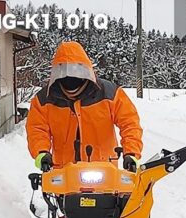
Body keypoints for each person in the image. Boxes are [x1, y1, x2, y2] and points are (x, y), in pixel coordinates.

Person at [26, 41, 143, 172]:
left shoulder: (109, 93)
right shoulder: (44, 100)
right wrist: (42, 153)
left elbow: (129, 123)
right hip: (63, 173)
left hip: (105, 170)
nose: (70, 80)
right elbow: (37, 129)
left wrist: (131, 153)